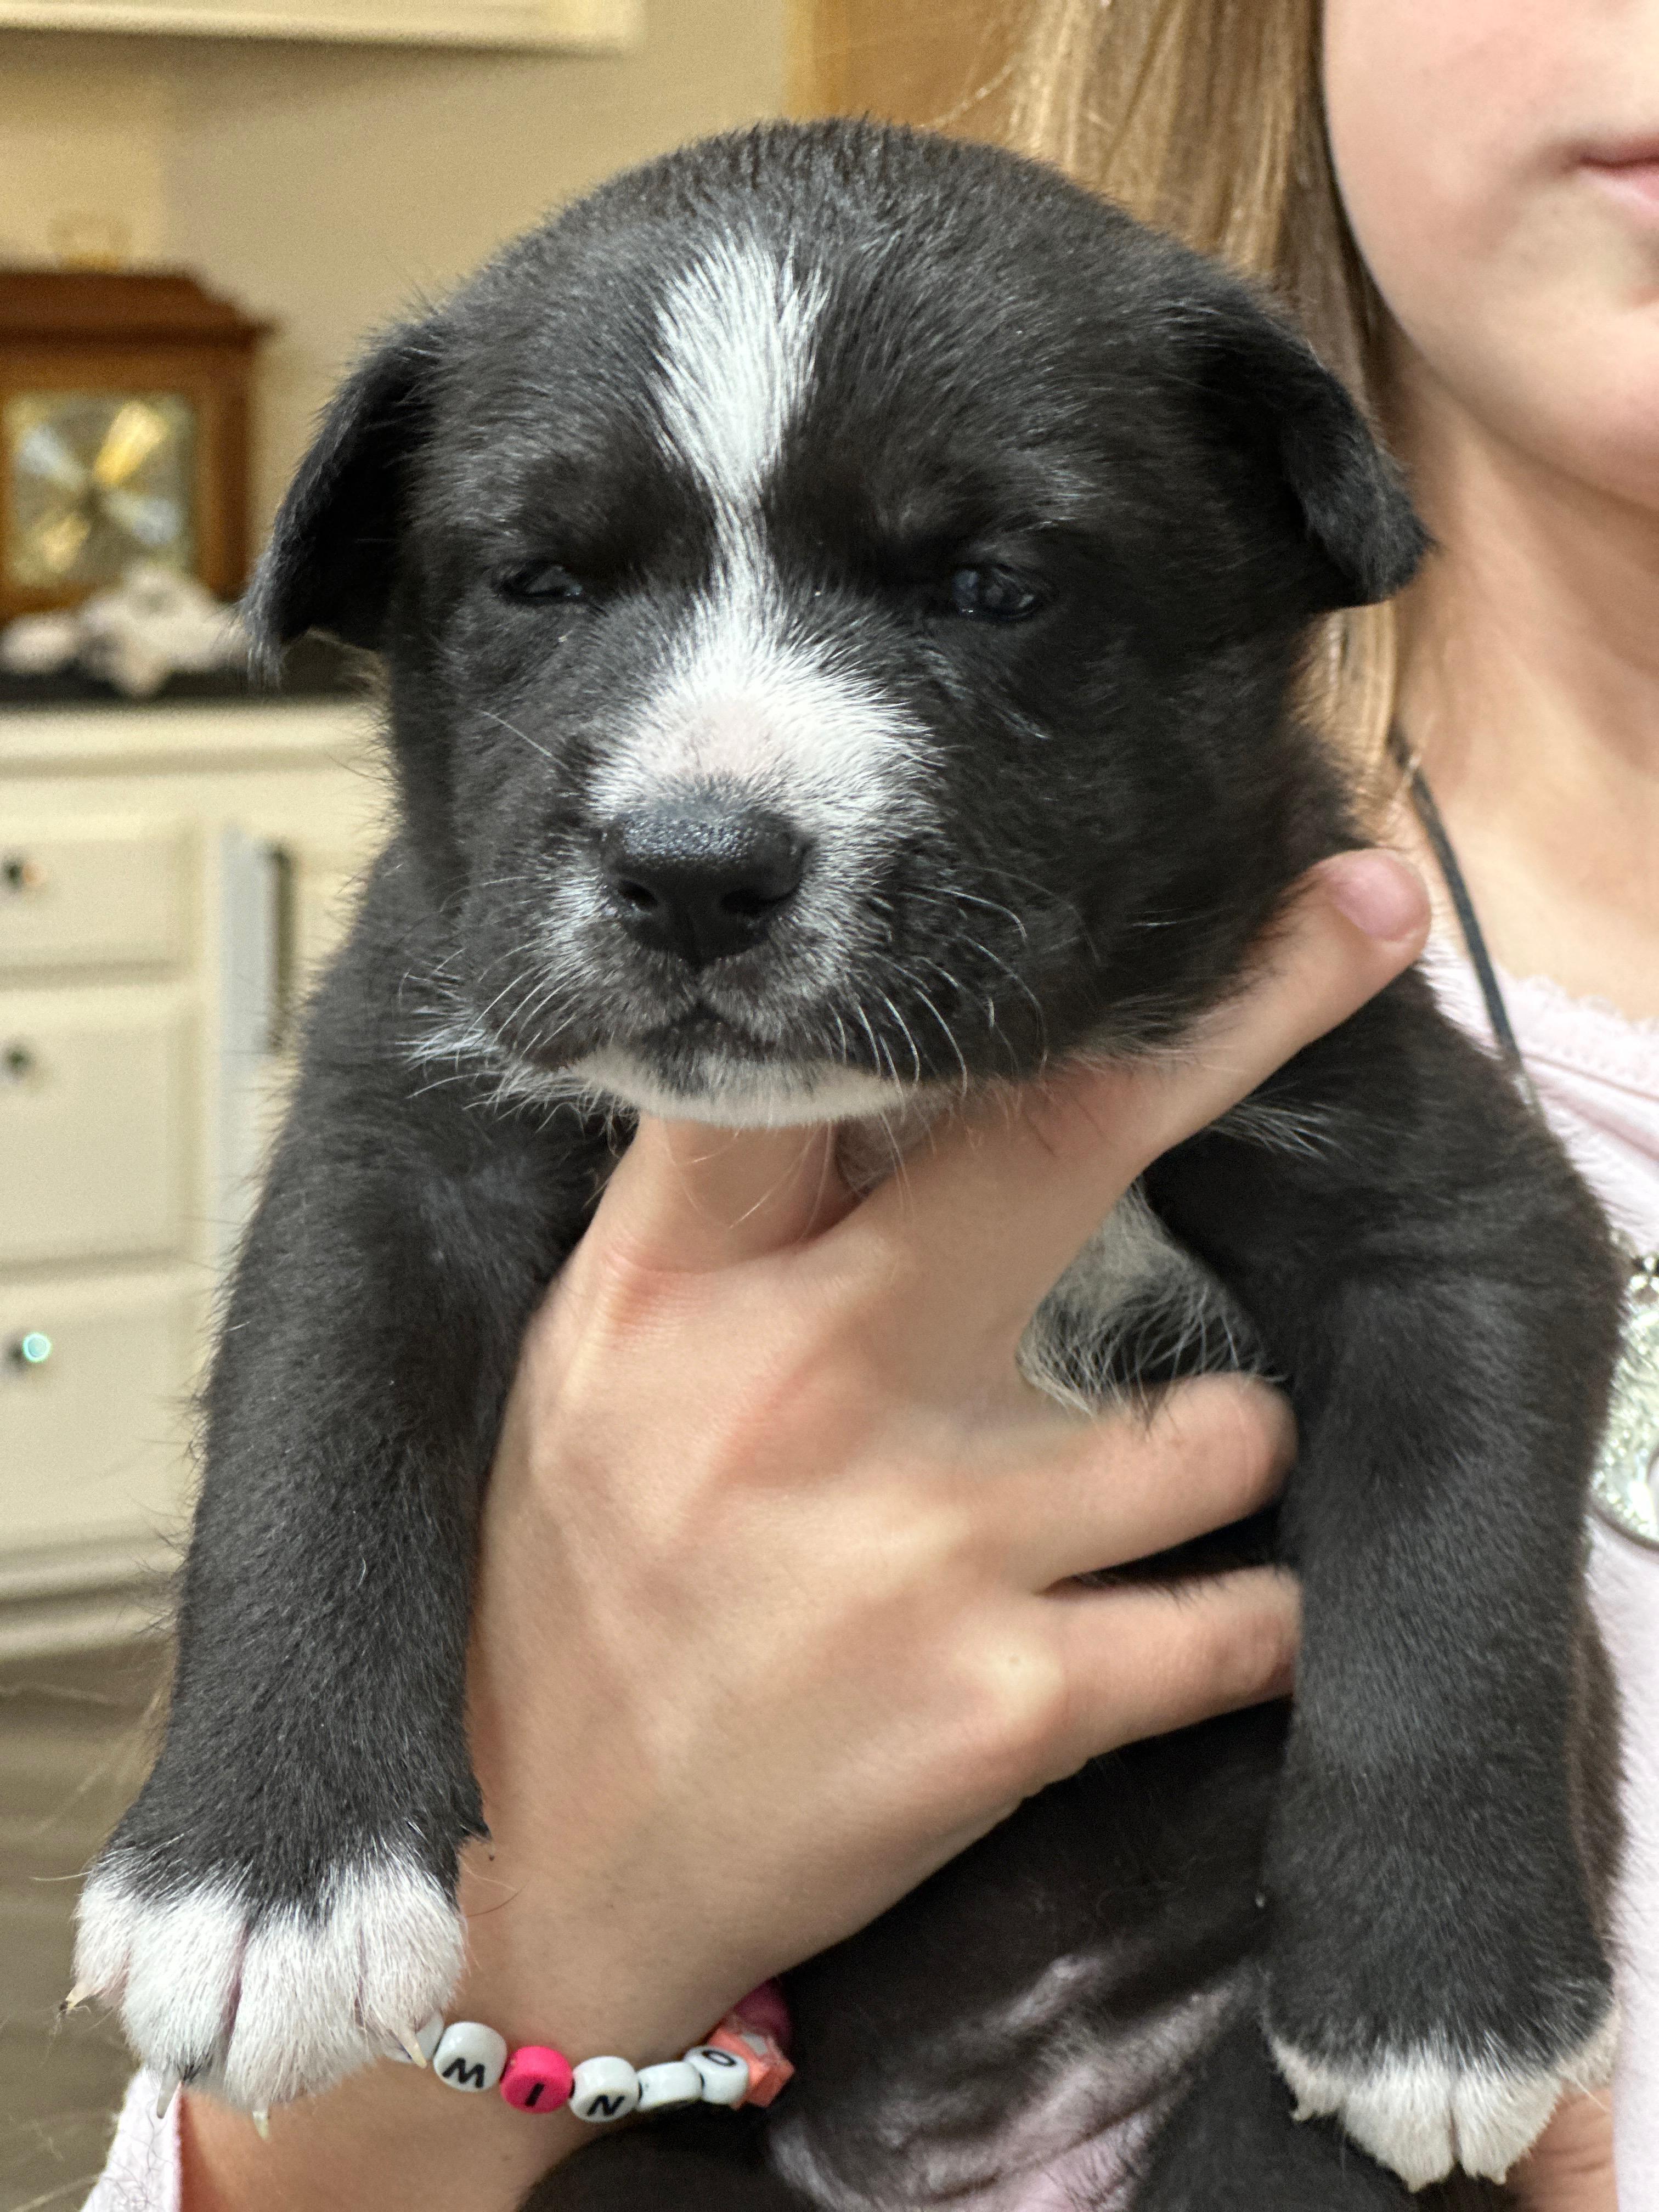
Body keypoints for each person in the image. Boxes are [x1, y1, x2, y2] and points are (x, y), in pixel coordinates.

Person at [84, 3, 1651, 2207]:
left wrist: (1432, 1879)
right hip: (700, 2093)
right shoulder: (456, 1005)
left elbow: (1464, 1274)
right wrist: (378, 1858)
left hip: (1244, 2030)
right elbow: (375, 1264)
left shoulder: (1284, 957)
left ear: (1279, 553)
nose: (706, 793)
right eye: (547, 582)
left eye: (986, 592)